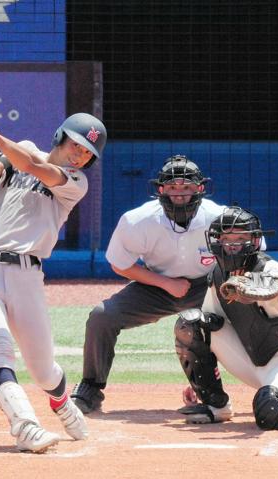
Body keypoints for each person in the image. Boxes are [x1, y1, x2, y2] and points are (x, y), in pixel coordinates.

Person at [0, 113, 107, 452]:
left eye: (87, 153)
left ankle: (60, 401)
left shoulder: (75, 182)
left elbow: (31, 166)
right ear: (60, 136)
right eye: (76, 144)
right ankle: (24, 425)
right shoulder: (20, 149)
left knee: (43, 371)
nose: (80, 155)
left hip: (27, 276)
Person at [72, 155, 226, 414]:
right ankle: (91, 386)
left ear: (200, 189)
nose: (180, 194)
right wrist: (165, 283)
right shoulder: (138, 220)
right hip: (156, 285)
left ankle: (233, 388)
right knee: (102, 316)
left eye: (186, 187)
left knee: (249, 315)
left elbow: (245, 256)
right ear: (160, 190)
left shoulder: (218, 217)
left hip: (207, 286)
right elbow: (119, 264)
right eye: (173, 187)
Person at [174, 206, 278, 428]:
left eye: (240, 237)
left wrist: (250, 289)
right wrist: (201, 381)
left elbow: (275, 284)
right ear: (217, 241)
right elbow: (208, 324)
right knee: (191, 323)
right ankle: (217, 406)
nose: (232, 244)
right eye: (226, 238)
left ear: (253, 241)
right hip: (250, 358)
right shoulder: (217, 274)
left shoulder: (270, 267)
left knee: (272, 411)